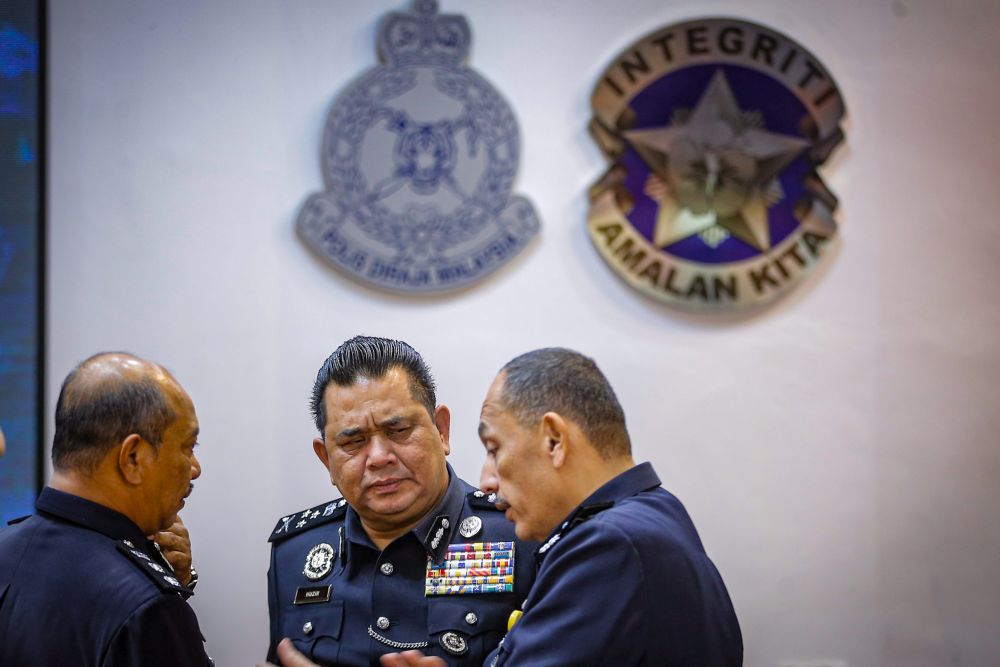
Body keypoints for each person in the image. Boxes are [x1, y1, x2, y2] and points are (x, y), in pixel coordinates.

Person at [375, 347, 743, 667]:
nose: (487, 481)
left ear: (554, 440)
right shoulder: (653, 514)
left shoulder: (609, 546)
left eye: (494, 449)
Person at [265, 336, 535, 666]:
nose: (379, 457)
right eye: (353, 441)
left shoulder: (519, 534)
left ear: (442, 430)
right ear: (326, 460)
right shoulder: (295, 552)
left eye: (398, 431)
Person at [0, 352, 211, 666]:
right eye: (188, 447)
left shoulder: (6, 549)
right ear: (133, 458)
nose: (195, 469)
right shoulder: (147, 609)